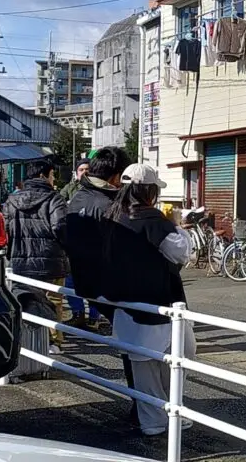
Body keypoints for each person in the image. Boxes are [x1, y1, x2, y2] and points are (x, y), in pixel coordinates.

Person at [104, 163, 194, 436]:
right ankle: (170, 415)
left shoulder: (111, 217)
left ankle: (152, 421)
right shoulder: (155, 221)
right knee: (179, 356)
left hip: (126, 301)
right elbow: (181, 253)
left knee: (142, 365)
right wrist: (178, 226)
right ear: (149, 191)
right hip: (161, 299)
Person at [61, 146, 135, 422]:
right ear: (116, 176)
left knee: (131, 344)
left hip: (86, 281)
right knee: (136, 348)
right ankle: (143, 406)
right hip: (113, 285)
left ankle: (142, 403)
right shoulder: (109, 205)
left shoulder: (77, 197)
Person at [3, 157, 70, 349]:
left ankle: (28, 342)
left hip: (20, 259)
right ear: (43, 175)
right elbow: (61, 228)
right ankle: (53, 341)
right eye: (51, 175)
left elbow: (5, 228)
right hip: (51, 260)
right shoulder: (54, 198)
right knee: (54, 300)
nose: (53, 180)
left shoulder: (12, 199)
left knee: (26, 298)